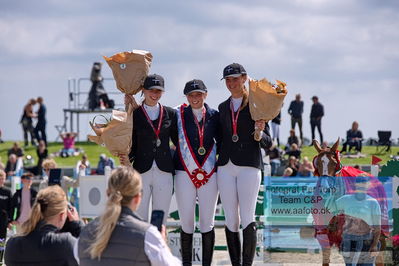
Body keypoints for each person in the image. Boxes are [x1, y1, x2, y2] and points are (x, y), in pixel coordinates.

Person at [217, 63, 272, 265]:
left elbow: (269, 142)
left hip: (249, 166)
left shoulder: (257, 104)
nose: (231, 83)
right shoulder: (222, 107)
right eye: (228, 80)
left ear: (244, 78)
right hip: (225, 167)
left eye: (235, 79)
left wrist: (259, 133)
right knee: (231, 218)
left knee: (247, 215)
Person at [77, 166, 181, 265]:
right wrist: (163, 245)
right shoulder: (148, 235)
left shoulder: (85, 233)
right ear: (137, 198)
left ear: (107, 194)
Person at [120, 74, 177, 224]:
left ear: (163, 92)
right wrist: (125, 157)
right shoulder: (135, 114)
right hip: (141, 169)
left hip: (164, 170)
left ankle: (158, 246)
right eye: (151, 90)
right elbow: (130, 140)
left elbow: (178, 141)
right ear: (143, 90)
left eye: (158, 91)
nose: (154, 94)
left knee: (161, 216)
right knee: (140, 215)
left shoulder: (170, 113)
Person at [174, 79, 219, 266]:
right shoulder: (177, 115)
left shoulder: (215, 115)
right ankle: (186, 263)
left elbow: (222, 141)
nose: (195, 98)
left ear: (206, 95)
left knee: (207, 222)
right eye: (191, 95)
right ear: (186, 96)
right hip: (184, 171)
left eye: (199, 94)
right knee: (186, 221)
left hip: (209, 173)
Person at [5, 185, 81, 266]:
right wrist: (76, 225)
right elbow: (89, 257)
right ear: (62, 215)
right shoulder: (65, 243)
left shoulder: (12, 244)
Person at [0, 169, 12, 252]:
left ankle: (0, 259)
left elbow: (10, 208)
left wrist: (9, 221)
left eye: (2, 178)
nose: (1, 180)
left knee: (1, 241)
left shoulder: (7, 192)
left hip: (3, 221)